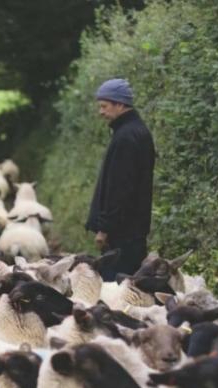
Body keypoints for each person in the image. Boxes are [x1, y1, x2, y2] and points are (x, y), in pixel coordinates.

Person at [85, 78, 156, 282]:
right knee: (130, 286)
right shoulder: (137, 132)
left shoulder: (126, 137)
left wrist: (105, 228)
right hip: (133, 230)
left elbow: (120, 188)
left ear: (120, 104)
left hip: (122, 234)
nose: (101, 112)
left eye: (104, 106)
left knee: (114, 289)